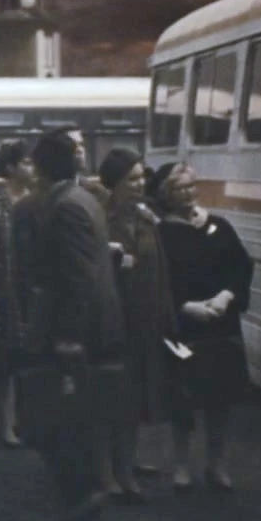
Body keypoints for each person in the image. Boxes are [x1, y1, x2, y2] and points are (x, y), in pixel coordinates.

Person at [15, 130, 127, 521]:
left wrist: (69, 335)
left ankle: (82, 501)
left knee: (62, 419)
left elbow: (77, 278)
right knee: (76, 417)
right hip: (92, 325)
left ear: (41, 166)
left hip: (75, 329)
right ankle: (83, 502)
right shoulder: (83, 200)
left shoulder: (64, 207)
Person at [150, 162, 254, 493]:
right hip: (184, 328)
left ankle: (217, 465)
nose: (188, 193)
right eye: (179, 188)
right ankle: (181, 465)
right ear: (166, 194)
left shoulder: (219, 226)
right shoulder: (161, 233)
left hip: (221, 325)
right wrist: (184, 307)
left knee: (220, 401)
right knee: (183, 399)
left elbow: (241, 266)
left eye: (191, 186)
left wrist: (227, 295)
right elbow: (158, 280)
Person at [96, 148, 174, 503]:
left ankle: (126, 470)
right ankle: (106, 473)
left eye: (142, 177)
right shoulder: (99, 219)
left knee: (134, 403)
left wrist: (166, 318)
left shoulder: (147, 218)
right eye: (132, 179)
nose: (140, 184)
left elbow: (162, 271)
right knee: (109, 401)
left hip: (145, 320)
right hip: (113, 321)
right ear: (114, 183)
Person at [0, 140, 34, 448]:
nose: (32, 168)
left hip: (31, 290)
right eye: (26, 162)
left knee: (28, 359)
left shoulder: (37, 200)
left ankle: (24, 419)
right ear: (10, 167)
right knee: (2, 362)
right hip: (2, 289)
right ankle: (4, 424)